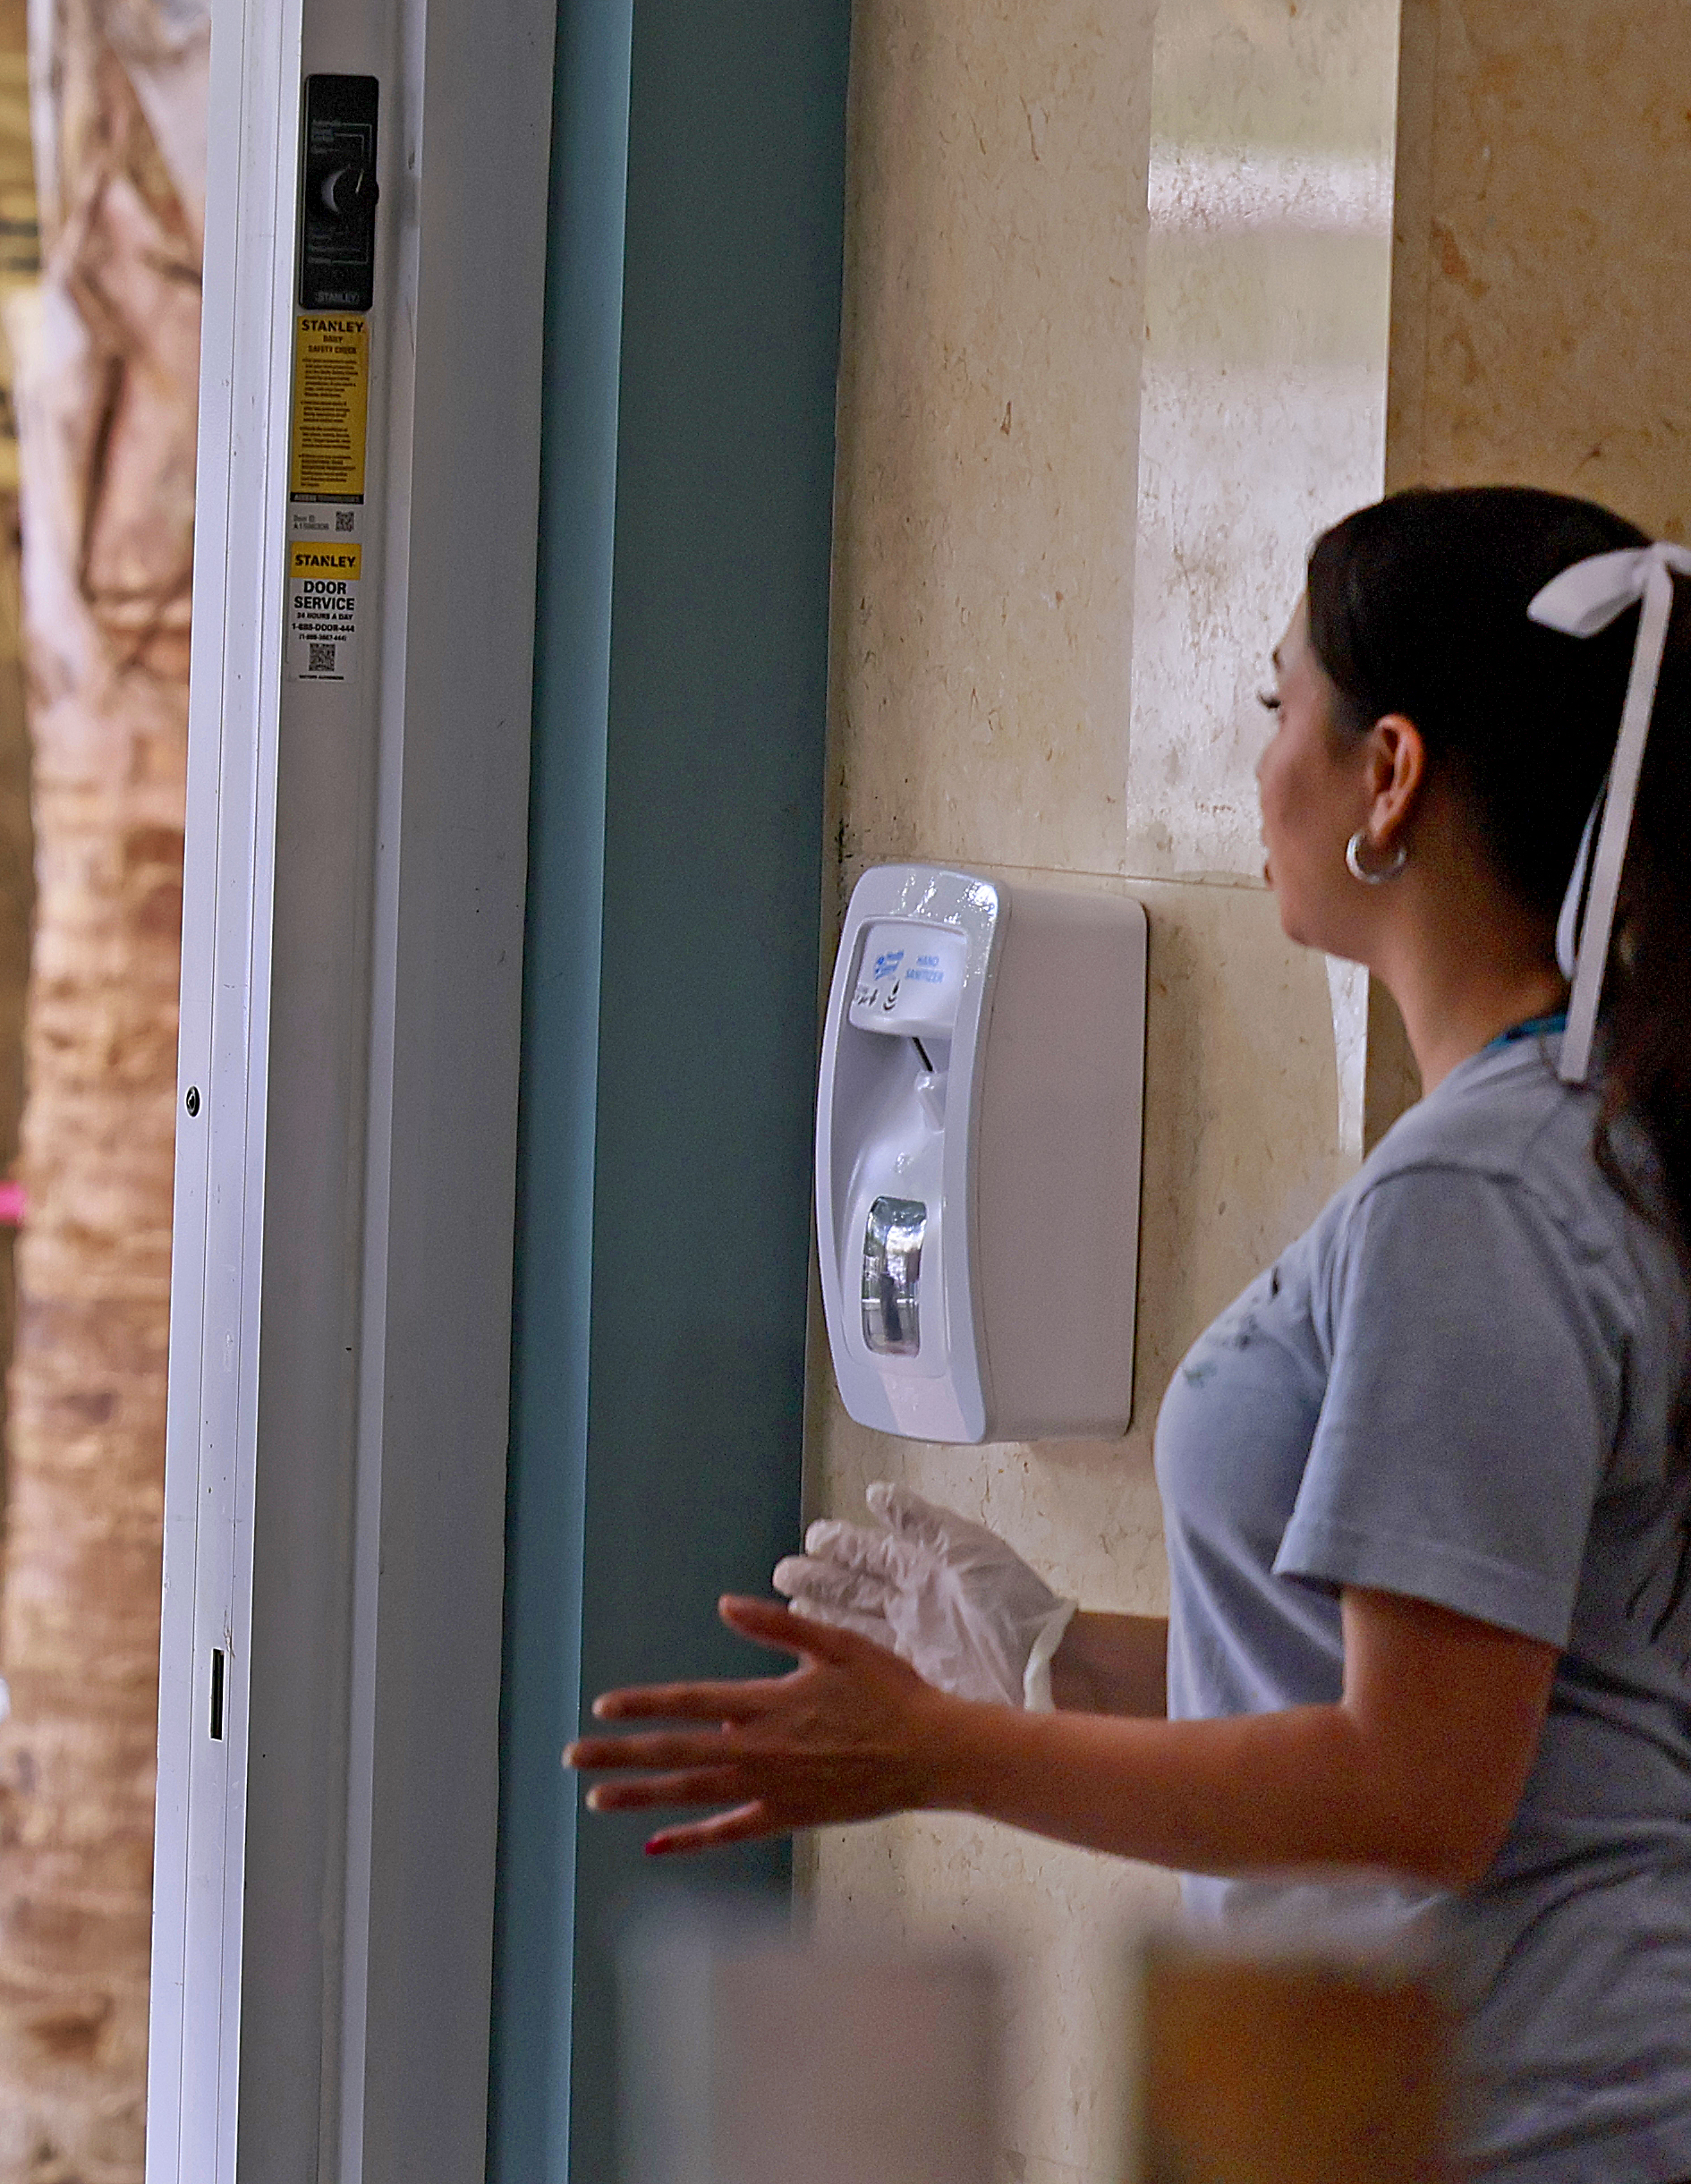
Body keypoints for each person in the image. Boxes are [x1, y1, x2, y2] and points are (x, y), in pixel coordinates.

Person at [567, 488, 1691, 2182]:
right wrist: (1054, 1665)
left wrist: (944, 1757)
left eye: (1277, 706)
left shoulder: (1484, 1197)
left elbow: (1415, 1790)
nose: (1260, 767)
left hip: (1521, 2118)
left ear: (1389, 774)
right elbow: (1466, 1684)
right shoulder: (1567, 1146)